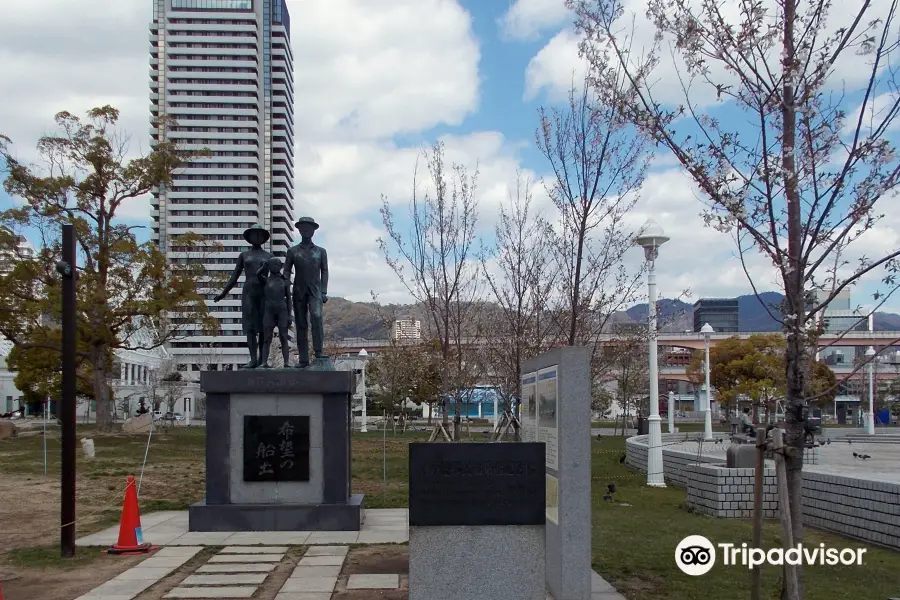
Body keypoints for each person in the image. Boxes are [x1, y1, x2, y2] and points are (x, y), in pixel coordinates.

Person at [213, 225, 273, 368]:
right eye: (254, 234)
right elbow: (235, 275)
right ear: (249, 237)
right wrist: (223, 293)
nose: (257, 237)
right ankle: (253, 359)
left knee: (265, 326)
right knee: (250, 327)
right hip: (249, 291)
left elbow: (276, 277)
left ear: (264, 238)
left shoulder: (269, 256)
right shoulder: (244, 255)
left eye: (259, 234)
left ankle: (262, 360)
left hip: (265, 291)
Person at [284, 217, 329, 368]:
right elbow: (286, 271)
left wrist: (323, 291)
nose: (306, 230)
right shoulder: (292, 251)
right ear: (299, 230)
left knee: (316, 317)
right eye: (303, 227)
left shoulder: (321, 252)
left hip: (315, 291)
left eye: (309, 228)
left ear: (314, 230)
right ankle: (303, 358)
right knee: (301, 323)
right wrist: (284, 288)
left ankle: (318, 352)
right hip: (298, 291)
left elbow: (325, 272)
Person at [256, 257, 292, 368]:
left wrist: (290, 315)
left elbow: (289, 299)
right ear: (270, 267)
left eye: (278, 265)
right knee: (267, 338)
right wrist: (264, 266)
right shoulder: (266, 280)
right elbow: (257, 274)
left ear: (280, 267)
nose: (275, 267)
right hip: (269, 310)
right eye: (273, 265)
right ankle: (264, 362)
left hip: (282, 309)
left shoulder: (284, 281)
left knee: (283, 337)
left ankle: (286, 363)